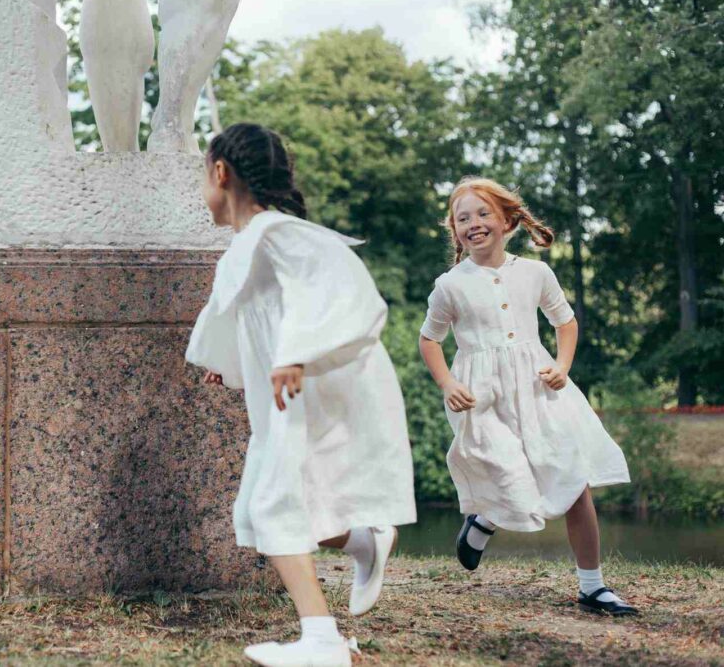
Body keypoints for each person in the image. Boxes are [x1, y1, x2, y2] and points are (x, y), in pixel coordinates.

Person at [186, 123, 417, 666]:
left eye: (203, 176)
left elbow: (339, 289)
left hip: (308, 387)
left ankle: (322, 641)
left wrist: (294, 354)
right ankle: (364, 541)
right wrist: (228, 363)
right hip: (284, 397)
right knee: (269, 505)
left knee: (275, 504)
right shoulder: (248, 244)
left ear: (220, 172)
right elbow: (250, 317)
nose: (202, 189)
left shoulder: (278, 232)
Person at [418, 176, 638, 617]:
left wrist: (562, 366)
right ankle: (485, 517)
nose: (474, 223)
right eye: (463, 218)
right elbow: (430, 339)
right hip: (481, 396)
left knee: (574, 480)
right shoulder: (450, 285)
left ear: (507, 221)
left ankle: (592, 587)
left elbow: (565, 322)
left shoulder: (536, 273)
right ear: (454, 230)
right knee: (508, 471)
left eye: (483, 213)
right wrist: (448, 384)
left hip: (538, 387)